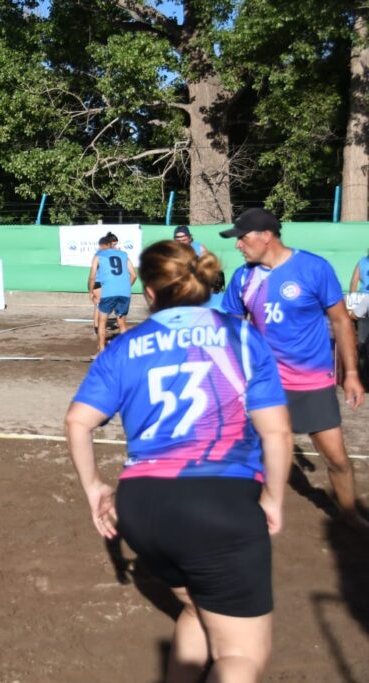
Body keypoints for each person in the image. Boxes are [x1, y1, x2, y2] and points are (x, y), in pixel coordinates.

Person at [66, 240, 292, 682]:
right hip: (219, 499)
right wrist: (274, 498)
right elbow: (278, 432)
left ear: (148, 292)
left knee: (195, 608)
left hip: (143, 504)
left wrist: (95, 489)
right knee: (241, 657)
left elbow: (78, 421)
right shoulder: (242, 336)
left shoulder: (123, 347)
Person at [220, 207, 368, 529]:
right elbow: (231, 326)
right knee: (252, 456)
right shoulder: (243, 278)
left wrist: (352, 374)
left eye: (242, 239)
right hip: (265, 384)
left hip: (313, 383)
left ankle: (349, 516)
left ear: (265, 237)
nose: (238, 246)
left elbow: (342, 321)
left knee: (337, 460)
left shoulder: (314, 268)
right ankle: (253, 515)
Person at [88, 231, 137, 352]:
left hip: (109, 290)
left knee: (102, 322)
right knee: (122, 324)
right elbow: (134, 275)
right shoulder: (123, 254)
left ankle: (102, 350)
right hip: (124, 292)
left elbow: (92, 276)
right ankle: (126, 351)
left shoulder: (99, 255)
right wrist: (125, 286)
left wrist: (90, 290)